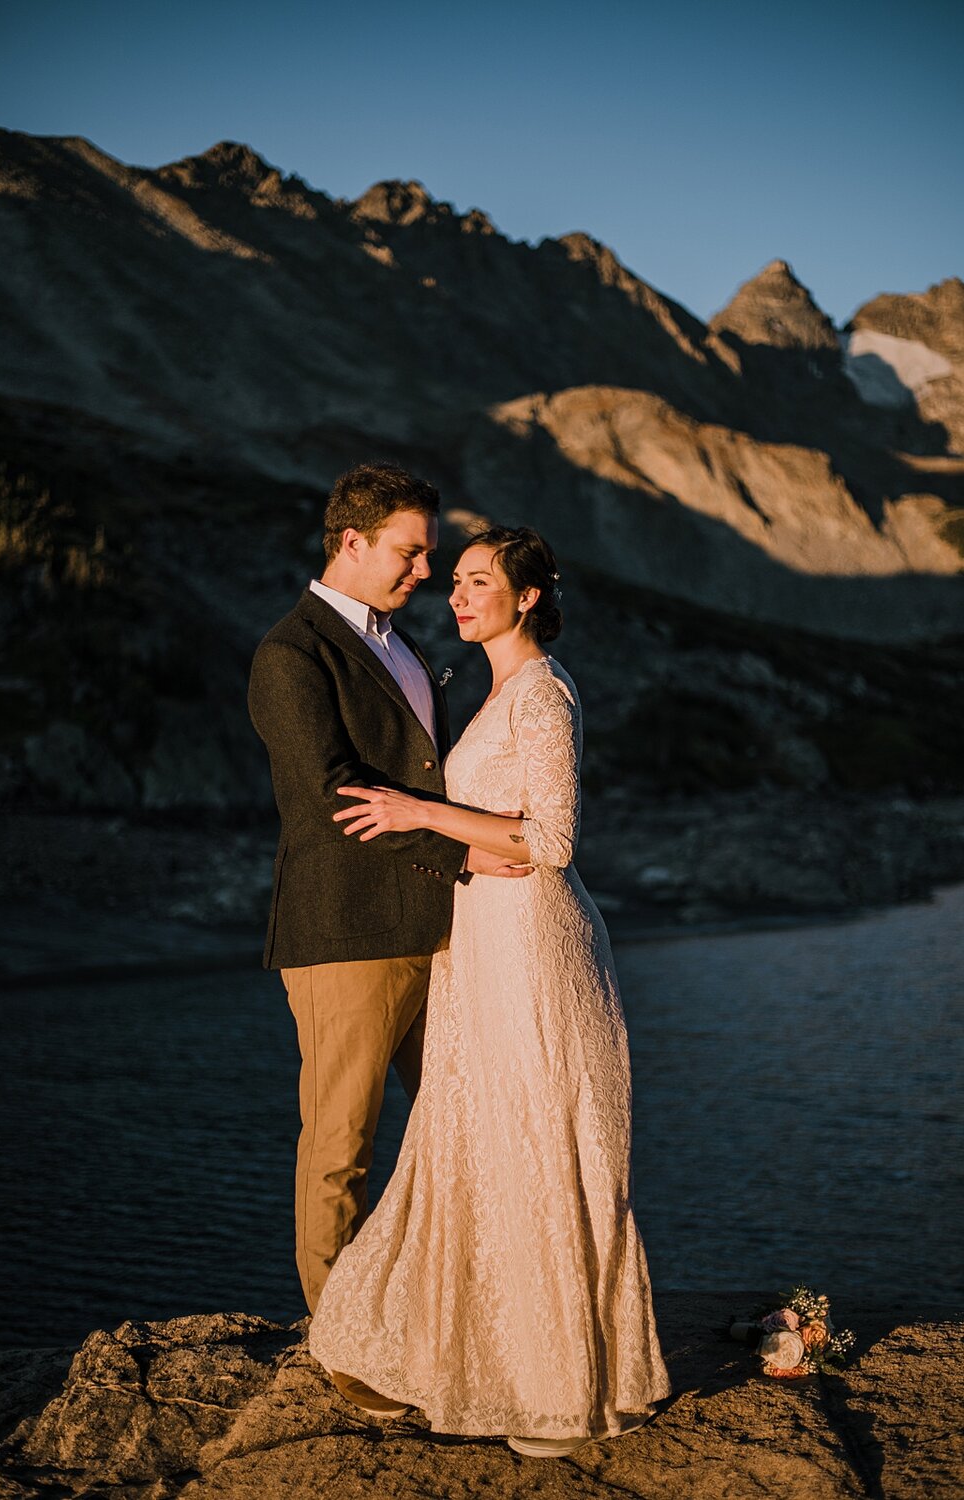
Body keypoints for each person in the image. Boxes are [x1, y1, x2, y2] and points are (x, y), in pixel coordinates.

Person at [307, 525, 672, 1458]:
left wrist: (418, 810)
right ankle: (482, 1356)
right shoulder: (500, 690)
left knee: (533, 1144)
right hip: (481, 939)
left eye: (478, 583)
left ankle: (553, 1388)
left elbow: (550, 841)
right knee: (482, 1141)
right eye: (455, 581)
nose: (457, 596)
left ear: (530, 596)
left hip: (533, 944)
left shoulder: (543, 694)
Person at [247, 464, 531, 1417]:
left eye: (428, 553)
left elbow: (426, 781)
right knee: (341, 1145)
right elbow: (325, 797)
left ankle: (446, 1313)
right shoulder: (292, 653)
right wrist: (461, 853)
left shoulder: (405, 649)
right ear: (350, 541)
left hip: (438, 933)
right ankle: (343, 1345)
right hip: (347, 935)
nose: (424, 571)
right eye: (409, 551)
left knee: (460, 1129)